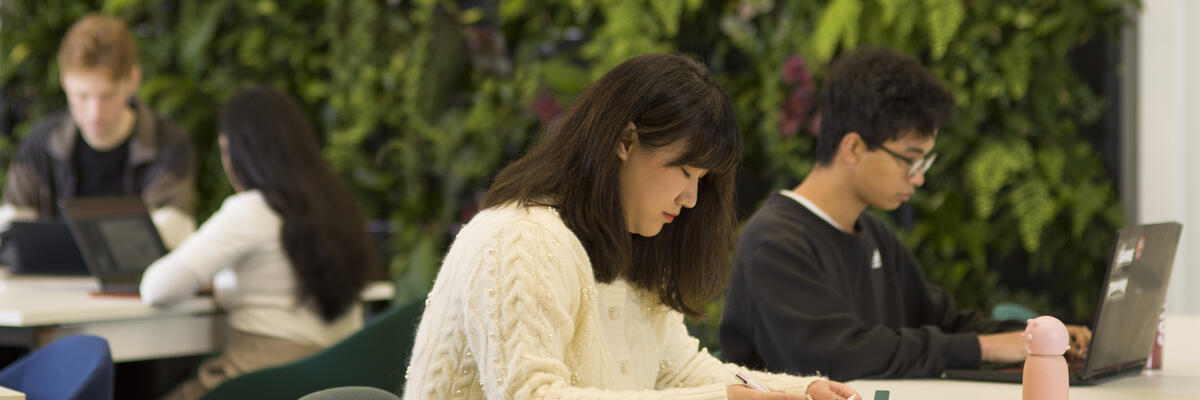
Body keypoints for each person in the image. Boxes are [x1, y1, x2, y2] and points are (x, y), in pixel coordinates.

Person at [402, 54, 859, 400]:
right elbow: (532, 395)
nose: (691, 198)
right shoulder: (518, 237)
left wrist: (801, 392)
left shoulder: (633, 247)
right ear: (625, 141)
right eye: (684, 171)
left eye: (701, 181)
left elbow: (680, 373)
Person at [718, 47, 1092, 381]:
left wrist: (1043, 336)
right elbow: (838, 357)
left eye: (925, 160)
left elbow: (946, 323)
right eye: (910, 159)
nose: (920, 176)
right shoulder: (774, 242)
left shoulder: (874, 235)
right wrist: (989, 348)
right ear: (853, 147)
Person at [140, 87, 377, 400]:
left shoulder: (250, 209)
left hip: (260, 381)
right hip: (334, 381)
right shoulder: (338, 202)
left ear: (243, 154)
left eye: (226, 151)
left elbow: (157, 288)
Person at [0, 13, 196, 248]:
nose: (95, 113)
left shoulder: (168, 145)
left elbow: (170, 237)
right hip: (48, 283)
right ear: (65, 83)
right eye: (82, 96)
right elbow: (11, 231)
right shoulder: (40, 145)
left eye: (107, 96)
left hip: (136, 284)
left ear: (132, 81)